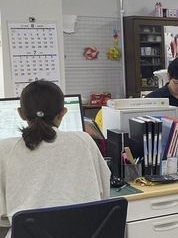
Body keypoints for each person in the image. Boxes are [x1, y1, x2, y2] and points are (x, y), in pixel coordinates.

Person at [0, 81, 110, 238]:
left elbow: (3, 218)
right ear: (63, 113)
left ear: (21, 114)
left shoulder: (4, 149)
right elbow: (103, 196)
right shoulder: (84, 141)